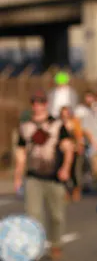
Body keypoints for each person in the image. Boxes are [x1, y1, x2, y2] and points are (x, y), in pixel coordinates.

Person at [14, 92, 75, 260]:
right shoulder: (25, 126)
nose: (37, 106)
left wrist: (66, 168)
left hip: (54, 176)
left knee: (57, 216)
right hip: (33, 176)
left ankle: (55, 244)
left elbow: (68, 148)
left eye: (41, 102)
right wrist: (17, 177)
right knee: (33, 215)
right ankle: (35, 248)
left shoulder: (57, 125)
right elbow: (20, 153)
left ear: (46, 104)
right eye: (34, 102)